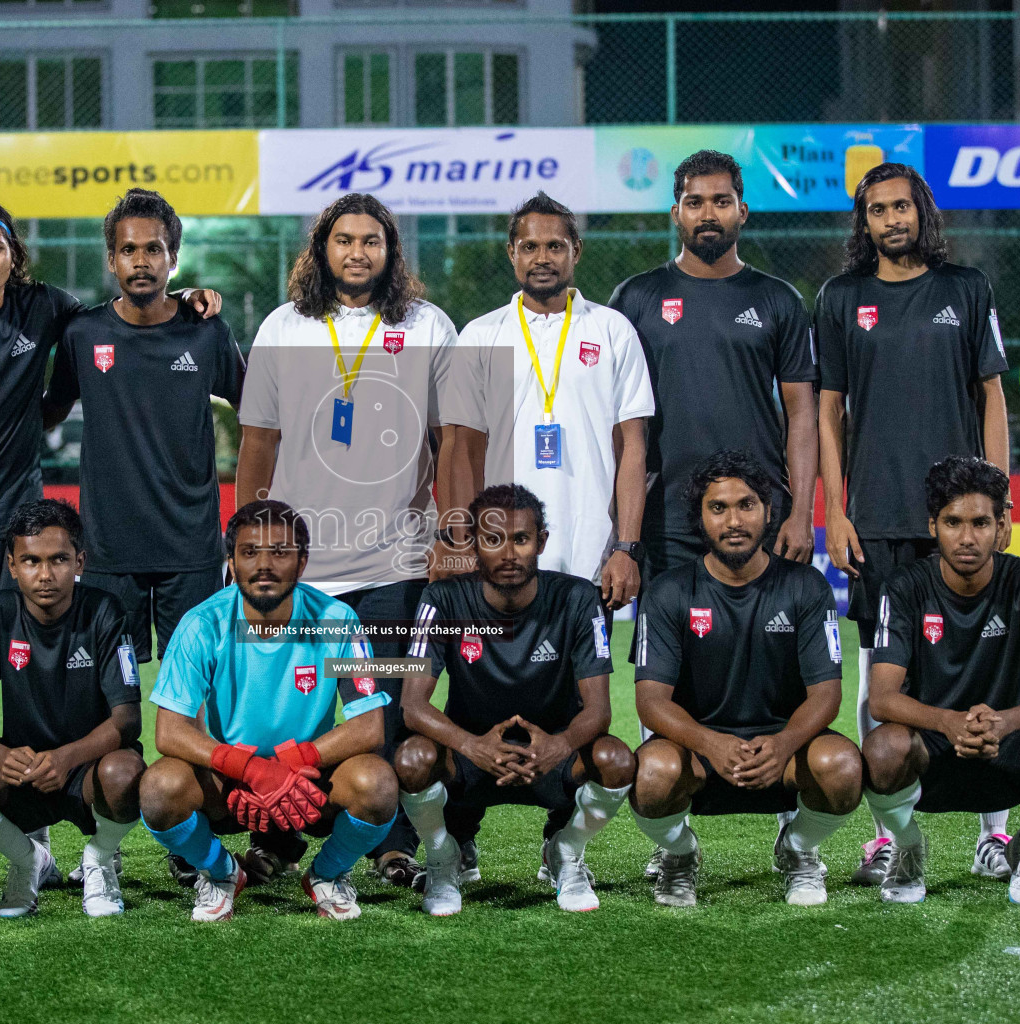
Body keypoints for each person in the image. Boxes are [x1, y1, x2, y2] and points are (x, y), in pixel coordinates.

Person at [0, 198, 219, 889]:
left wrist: (191, 298)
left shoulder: (46, 309)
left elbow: (125, 310)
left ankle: (42, 834)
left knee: (29, 676)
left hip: (20, 531)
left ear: (13, 256)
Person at [234, 192, 465, 886]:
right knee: (295, 709)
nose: (357, 252)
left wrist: (452, 532)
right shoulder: (284, 327)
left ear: (391, 251)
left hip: (394, 560)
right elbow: (257, 440)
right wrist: (245, 539)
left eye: (372, 241)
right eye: (344, 240)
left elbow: (451, 439)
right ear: (321, 249)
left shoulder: (427, 326)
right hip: (301, 568)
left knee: (387, 706)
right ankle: (281, 838)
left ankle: (390, 844)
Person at [814, 163, 1013, 885]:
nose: (891, 219)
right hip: (878, 520)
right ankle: (890, 834)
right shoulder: (840, 299)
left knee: (978, 664)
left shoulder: (967, 289)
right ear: (862, 223)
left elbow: (992, 398)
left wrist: (1000, 500)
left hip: (959, 518)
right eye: (877, 210)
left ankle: (995, 830)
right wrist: (833, 510)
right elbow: (827, 414)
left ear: (921, 212)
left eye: (902, 206)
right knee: (880, 677)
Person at [138, 500, 399, 922]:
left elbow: (369, 726)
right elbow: (170, 732)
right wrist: (248, 769)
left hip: (309, 783)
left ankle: (326, 876)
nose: (264, 564)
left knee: (378, 783)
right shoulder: (201, 624)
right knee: (160, 787)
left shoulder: (336, 619)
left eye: (280, 552)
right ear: (231, 562)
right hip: (231, 784)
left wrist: (290, 763)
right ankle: (222, 873)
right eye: (249, 552)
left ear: (302, 562)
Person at [861, 457, 1020, 905]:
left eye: (980, 522)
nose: (967, 538)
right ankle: (908, 847)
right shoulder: (905, 585)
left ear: (1000, 526)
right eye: (952, 522)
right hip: (933, 751)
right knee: (881, 749)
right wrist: (948, 722)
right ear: (933, 525)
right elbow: (882, 699)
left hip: (1006, 750)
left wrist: (1004, 723)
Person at [631, 450, 861, 907]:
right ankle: (679, 854)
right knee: (651, 775)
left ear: (769, 512)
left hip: (785, 752)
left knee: (843, 767)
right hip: (699, 754)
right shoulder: (669, 591)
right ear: (700, 517)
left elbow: (827, 694)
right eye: (718, 508)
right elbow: (651, 702)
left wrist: (783, 743)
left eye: (746, 505)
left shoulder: (806, 586)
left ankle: (798, 848)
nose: (733, 520)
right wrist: (711, 744)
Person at [397, 484, 633, 915]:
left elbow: (599, 710)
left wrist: (558, 746)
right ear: (473, 543)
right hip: (472, 755)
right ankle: (442, 858)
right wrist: (472, 745)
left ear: (541, 541)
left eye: (520, 539)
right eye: (492, 540)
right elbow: (412, 705)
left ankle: (566, 852)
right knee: (412, 759)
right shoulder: (443, 599)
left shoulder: (578, 599)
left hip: (553, 752)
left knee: (616, 760)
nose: (508, 553)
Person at [43, 188, 244, 668]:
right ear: (111, 260)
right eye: (128, 249)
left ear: (173, 259)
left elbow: (255, 409)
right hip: (109, 548)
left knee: (195, 685)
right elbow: (48, 411)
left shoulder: (206, 331)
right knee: (113, 694)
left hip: (191, 546)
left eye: (153, 249)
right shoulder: (83, 334)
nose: (140, 261)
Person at [608, 150, 817, 582]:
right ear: (675, 213)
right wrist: (616, 519)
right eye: (694, 202)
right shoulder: (634, 298)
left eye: (721, 202)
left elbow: (802, 415)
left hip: (757, 511)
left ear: (742, 211)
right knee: (671, 648)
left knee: (761, 648)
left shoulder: (779, 299)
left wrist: (802, 514)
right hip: (665, 515)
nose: (708, 214)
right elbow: (617, 423)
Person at [0, 499, 145, 918]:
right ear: (12, 565)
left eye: (59, 559)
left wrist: (67, 758)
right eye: (31, 561)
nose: (45, 574)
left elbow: (128, 718)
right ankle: (29, 859)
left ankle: (99, 859)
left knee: (126, 773)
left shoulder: (105, 610)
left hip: (88, 768)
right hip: (23, 769)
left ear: (79, 561)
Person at [445, 191, 655, 609]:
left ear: (576, 251)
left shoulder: (613, 330)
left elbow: (633, 447)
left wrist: (627, 547)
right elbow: (461, 450)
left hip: (591, 553)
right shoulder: (482, 336)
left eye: (555, 246)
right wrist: (460, 542)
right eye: (530, 247)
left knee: (586, 677)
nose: (542, 257)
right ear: (512, 253)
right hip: (500, 556)